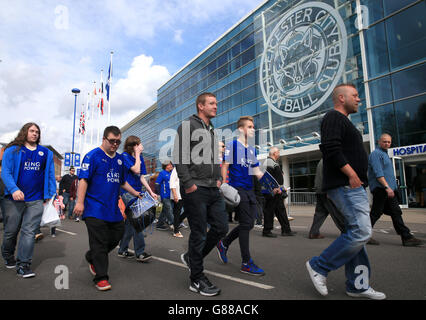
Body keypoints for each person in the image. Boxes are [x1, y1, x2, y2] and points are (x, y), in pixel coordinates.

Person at [306, 83, 386, 300]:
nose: (359, 99)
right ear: (341, 98)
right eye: (355, 95)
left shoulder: (344, 122)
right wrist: (351, 174)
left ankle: (357, 285)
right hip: (345, 185)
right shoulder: (333, 117)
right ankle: (319, 266)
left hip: (352, 186)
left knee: (355, 234)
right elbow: (331, 148)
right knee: (361, 232)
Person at [73, 126, 143, 291]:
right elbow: (83, 180)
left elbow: (122, 181)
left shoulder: (119, 159)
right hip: (94, 208)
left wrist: (136, 193)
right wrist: (79, 202)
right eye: (112, 141)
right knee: (99, 241)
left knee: (117, 235)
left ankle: (92, 257)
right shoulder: (92, 156)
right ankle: (101, 277)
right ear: (104, 139)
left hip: (112, 209)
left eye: (118, 141)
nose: (115, 144)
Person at [173, 92, 228, 296]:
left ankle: (191, 258)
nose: (216, 106)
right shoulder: (188, 125)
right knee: (198, 234)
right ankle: (196, 279)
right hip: (195, 188)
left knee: (221, 227)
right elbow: (179, 155)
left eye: (216, 102)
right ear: (200, 106)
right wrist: (188, 184)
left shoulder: (211, 130)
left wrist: (219, 179)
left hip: (213, 188)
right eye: (212, 103)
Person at [1, 122, 56, 278]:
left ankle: (23, 265)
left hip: (36, 199)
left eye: (37, 132)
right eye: (32, 131)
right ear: (25, 132)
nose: (35, 134)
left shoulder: (45, 153)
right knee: (11, 232)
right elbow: (5, 172)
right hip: (13, 199)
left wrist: (51, 195)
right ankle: (7, 254)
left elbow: (50, 175)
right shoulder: (12, 150)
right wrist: (14, 189)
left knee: (29, 232)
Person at [217, 116, 268, 276]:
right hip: (237, 189)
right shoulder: (232, 145)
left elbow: (257, 171)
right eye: (250, 127)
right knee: (246, 224)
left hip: (250, 190)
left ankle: (224, 243)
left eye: (254, 127)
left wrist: (272, 186)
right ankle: (246, 262)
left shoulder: (252, 149)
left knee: (250, 224)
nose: (253, 129)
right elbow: (225, 166)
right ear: (241, 129)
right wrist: (223, 184)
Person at [367, 134, 423, 247]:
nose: (387, 144)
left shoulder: (385, 154)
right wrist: (387, 187)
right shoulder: (376, 154)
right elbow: (378, 173)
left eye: (389, 142)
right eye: (384, 141)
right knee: (376, 213)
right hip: (381, 189)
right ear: (379, 141)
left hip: (389, 189)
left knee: (395, 212)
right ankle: (362, 235)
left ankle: (406, 237)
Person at [118, 135, 157, 262]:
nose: (141, 146)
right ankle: (140, 252)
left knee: (130, 223)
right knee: (138, 220)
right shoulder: (125, 156)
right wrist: (137, 154)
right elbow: (136, 169)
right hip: (127, 192)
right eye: (139, 144)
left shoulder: (139, 157)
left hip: (138, 191)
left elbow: (141, 177)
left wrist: (151, 191)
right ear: (134, 146)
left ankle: (122, 249)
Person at [262, 147, 296, 237]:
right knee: (269, 211)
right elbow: (266, 177)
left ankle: (286, 230)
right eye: (278, 152)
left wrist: (281, 187)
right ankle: (266, 231)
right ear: (274, 153)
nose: (279, 153)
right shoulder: (269, 162)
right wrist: (273, 188)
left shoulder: (273, 162)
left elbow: (276, 177)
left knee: (281, 211)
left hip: (277, 191)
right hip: (273, 192)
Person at [308, 159, 345, 239]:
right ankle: (347, 232)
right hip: (327, 190)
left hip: (320, 190)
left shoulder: (322, 161)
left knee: (320, 213)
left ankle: (314, 232)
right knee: (337, 212)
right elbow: (329, 176)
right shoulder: (330, 161)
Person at [155, 161, 174, 230]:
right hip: (164, 195)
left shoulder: (172, 173)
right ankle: (173, 223)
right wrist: (159, 195)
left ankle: (159, 225)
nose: (171, 165)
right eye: (170, 164)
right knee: (169, 209)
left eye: (171, 164)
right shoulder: (162, 173)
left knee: (164, 211)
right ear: (166, 166)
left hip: (171, 195)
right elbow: (157, 184)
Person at [170, 167, 188, 238]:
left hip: (186, 193)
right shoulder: (176, 168)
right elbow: (172, 182)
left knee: (188, 210)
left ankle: (176, 224)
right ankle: (176, 231)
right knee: (177, 212)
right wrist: (175, 194)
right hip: (178, 194)